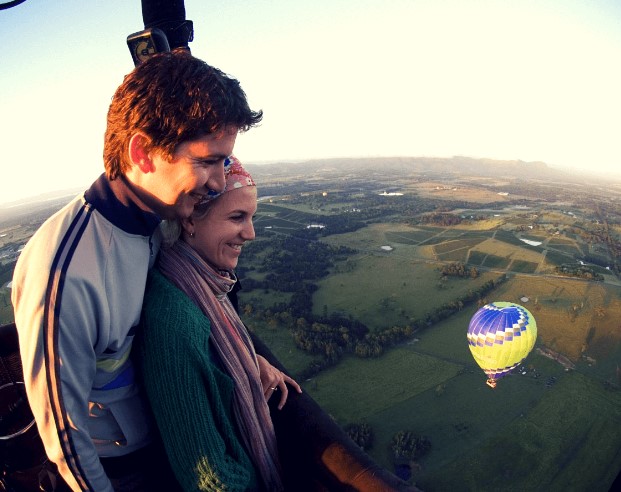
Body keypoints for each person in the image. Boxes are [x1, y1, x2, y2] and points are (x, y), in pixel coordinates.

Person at [11, 49, 262, 491]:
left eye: (224, 162)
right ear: (142, 152)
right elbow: (65, 437)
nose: (219, 182)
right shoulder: (65, 273)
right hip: (118, 472)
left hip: (162, 446)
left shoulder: (156, 221)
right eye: (206, 161)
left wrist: (250, 360)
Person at [136, 156, 302, 491]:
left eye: (251, 217)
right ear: (189, 221)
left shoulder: (206, 286)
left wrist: (247, 360)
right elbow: (209, 479)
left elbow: (214, 359)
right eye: (237, 217)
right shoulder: (173, 321)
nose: (251, 233)